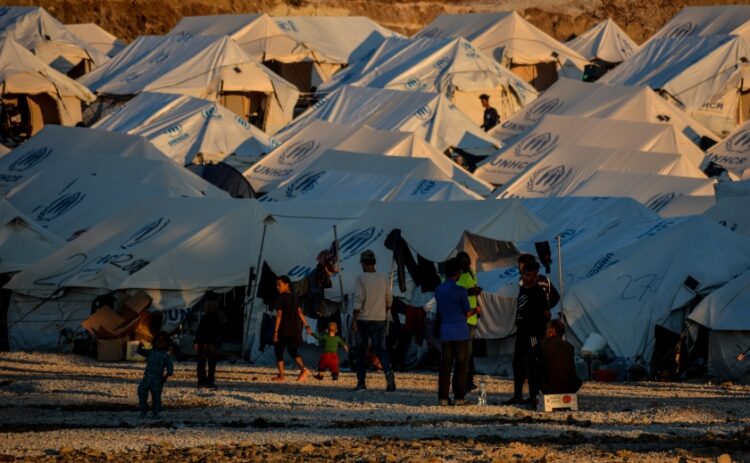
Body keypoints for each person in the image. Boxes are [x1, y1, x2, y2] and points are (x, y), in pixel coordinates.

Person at [504, 261, 550, 405]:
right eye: (523, 274)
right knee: (517, 363)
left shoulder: (539, 293)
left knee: (532, 364)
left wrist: (541, 330)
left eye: (528, 275)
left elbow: (547, 314)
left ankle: (534, 395)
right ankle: (517, 395)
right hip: (521, 333)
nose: (524, 277)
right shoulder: (523, 290)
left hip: (533, 335)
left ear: (535, 276)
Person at [435, 258, 478, 406]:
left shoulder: (439, 290)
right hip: (460, 332)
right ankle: (459, 397)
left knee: (445, 366)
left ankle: (443, 398)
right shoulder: (460, 291)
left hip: (445, 331)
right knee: (461, 365)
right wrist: (476, 310)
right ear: (458, 273)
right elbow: (467, 312)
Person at [351, 249, 396, 392]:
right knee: (381, 349)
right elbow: (389, 299)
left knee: (361, 351)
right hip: (380, 319)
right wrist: (385, 312)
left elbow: (358, 300)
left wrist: (354, 319)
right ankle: (389, 376)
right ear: (374, 262)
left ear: (363, 263)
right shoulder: (383, 278)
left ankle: (361, 383)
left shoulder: (361, 278)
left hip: (364, 319)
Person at [527, 319, 583, 408]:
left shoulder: (543, 344)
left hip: (548, 388)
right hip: (568, 388)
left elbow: (527, 359)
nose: (545, 332)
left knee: (531, 367)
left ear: (552, 331)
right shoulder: (569, 347)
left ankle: (534, 399)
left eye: (547, 329)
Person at [273, 275, 312, 382]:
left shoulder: (281, 298)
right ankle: (304, 369)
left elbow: (279, 315)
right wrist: (306, 325)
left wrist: (275, 331)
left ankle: (281, 376)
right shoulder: (295, 297)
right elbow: (300, 312)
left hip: (283, 329)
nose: (277, 287)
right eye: (276, 285)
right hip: (294, 330)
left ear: (286, 284)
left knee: (279, 351)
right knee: (292, 351)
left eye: (279, 285)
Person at [456, 251, 482, 391]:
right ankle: (462, 380)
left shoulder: (471, 272)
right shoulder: (456, 275)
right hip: (461, 317)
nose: (467, 265)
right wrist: (469, 292)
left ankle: (468, 379)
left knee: (469, 350)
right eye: (464, 263)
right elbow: (454, 292)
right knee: (463, 350)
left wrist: (476, 293)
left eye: (468, 263)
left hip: (471, 317)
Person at [137, 332, 174, 419]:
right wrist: (139, 346)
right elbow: (141, 351)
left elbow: (170, 370)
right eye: (158, 340)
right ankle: (143, 410)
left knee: (156, 398)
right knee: (141, 392)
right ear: (154, 341)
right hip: (146, 377)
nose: (160, 342)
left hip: (157, 380)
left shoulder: (166, 356)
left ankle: (156, 413)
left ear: (167, 343)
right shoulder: (151, 352)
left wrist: (165, 377)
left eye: (162, 341)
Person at [194, 301, 221, 388]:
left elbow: (199, 331)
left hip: (203, 342)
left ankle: (201, 381)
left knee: (202, 363)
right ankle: (210, 381)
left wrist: (196, 342)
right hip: (212, 343)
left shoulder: (204, 318)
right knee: (211, 363)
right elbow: (218, 331)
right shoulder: (217, 318)